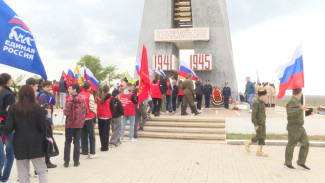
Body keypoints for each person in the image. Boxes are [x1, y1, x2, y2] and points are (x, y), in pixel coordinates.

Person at [5, 85, 49, 183]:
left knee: (23, 173)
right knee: (41, 171)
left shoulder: (13, 109)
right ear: (33, 95)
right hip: (37, 144)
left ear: (20, 95)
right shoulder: (38, 108)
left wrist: (8, 113)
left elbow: (8, 129)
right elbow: (43, 128)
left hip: (20, 144)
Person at [284, 88, 311, 170]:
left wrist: (308, 112)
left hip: (300, 127)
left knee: (306, 143)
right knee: (291, 145)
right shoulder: (291, 102)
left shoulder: (298, 101)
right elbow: (291, 113)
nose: (301, 95)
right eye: (301, 93)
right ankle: (288, 162)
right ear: (298, 93)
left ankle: (301, 162)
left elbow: (299, 113)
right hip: (293, 127)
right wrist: (301, 108)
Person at [63, 84, 88, 167]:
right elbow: (86, 111)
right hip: (79, 123)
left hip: (70, 123)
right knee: (76, 142)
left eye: (70, 89)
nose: (68, 90)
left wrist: (64, 111)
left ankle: (66, 162)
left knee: (67, 142)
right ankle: (76, 161)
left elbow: (67, 112)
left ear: (75, 90)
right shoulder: (82, 99)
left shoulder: (70, 99)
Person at [36, 80, 57, 169]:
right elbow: (46, 110)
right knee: (48, 141)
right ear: (43, 87)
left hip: (46, 120)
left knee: (48, 141)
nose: (49, 88)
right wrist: (50, 123)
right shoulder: (43, 95)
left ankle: (46, 160)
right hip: (46, 121)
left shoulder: (48, 94)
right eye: (47, 86)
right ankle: (46, 161)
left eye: (50, 86)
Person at [0, 73, 15, 182]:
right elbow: (10, 113)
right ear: (8, 81)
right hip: (6, 128)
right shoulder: (9, 94)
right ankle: (4, 178)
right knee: (9, 153)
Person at [244, 89, 268, 157]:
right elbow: (253, 116)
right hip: (259, 123)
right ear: (262, 95)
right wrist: (256, 125)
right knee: (258, 136)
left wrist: (264, 123)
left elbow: (263, 114)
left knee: (263, 137)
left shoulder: (262, 102)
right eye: (265, 95)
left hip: (263, 123)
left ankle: (259, 151)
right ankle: (248, 142)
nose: (266, 96)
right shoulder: (256, 103)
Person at [79, 81, 98, 159]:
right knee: (91, 136)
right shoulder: (90, 95)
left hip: (81, 118)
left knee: (83, 135)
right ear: (90, 87)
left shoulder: (80, 95)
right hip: (89, 117)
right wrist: (94, 114)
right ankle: (92, 153)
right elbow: (91, 107)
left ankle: (84, 153)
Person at [97, 85, 112, 152]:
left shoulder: (98, 97)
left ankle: (102, 145)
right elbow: (111, 107)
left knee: (101, 132)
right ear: (108, 90)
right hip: (107, 116)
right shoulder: (110, 97)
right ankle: (105, 147)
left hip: (100, 115)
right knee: (106, 133)